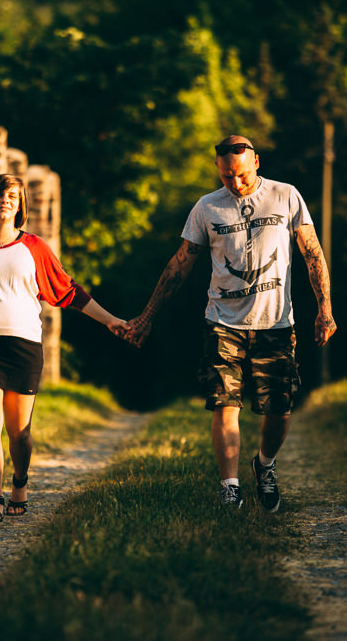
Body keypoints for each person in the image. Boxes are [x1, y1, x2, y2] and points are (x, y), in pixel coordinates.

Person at [124, 135, 336, 511]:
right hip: (222, 322)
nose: (234, 184)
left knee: (279, 410)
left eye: (239, 175)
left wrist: (325, 309)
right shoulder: (207, 208)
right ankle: (230, 486)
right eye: (225, 177)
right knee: (225, 404)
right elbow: (179, 265)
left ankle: (265, 465)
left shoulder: (286, 196)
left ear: (256, 161)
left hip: (275, 323)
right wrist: (147, 316)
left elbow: (312, 253)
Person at [0, 174, 127, 522]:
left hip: (22, 346)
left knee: (18, 432)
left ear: (19, 206)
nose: (5, 200)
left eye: (13, 196)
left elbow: (68, 291)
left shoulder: (33, 247)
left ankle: (19, 481)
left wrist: (109, 320)